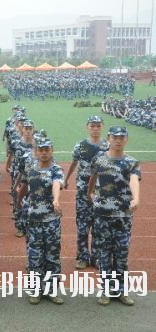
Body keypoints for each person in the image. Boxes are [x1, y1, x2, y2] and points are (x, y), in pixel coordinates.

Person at [88, 126, 140, 306]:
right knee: (104, 255)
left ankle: (121, 291)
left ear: (126, 139)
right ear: (108, 138)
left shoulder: (131, 162)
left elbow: (134, 179)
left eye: (121, 137)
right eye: (114, 137)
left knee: (121, 255)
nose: (118, 140)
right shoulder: (99, 159)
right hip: (102, 215)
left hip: (123, 216)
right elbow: (93, 177)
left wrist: (136, 198)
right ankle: (105, 291)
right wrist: (90, 194)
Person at [18, 137, 64, 305]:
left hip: (51, 220)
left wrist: (56, 200)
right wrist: (18, 201)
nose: (44, 153)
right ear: (36, 152)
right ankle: (36, 291)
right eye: (41, 150)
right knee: (35, 257)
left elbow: (57, 184)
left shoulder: (56, 169)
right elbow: (24, 186)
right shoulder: (30, 168)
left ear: (52, 151)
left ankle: (51, 291)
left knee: (52, 256)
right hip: (34, 220)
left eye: (47, 150)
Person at [64, 116, 109, 269]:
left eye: (98, 125)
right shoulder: (80, 145)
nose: (95, 128)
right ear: (87, 127)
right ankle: (82, 257)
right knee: (83, 226)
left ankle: (96, 257)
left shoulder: (108, 146)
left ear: (102, 127)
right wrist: (67, 178)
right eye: (92, 125)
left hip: (101, 192)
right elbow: (74, 162)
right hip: (83, 190)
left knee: (99, 226)